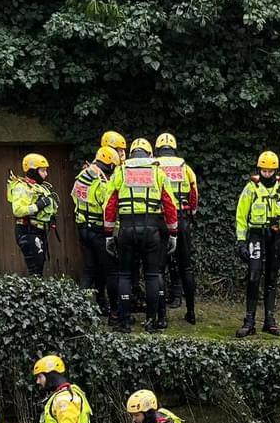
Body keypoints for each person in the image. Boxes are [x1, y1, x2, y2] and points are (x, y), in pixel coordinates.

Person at [103, 137, 179, 332]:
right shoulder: (158, 172)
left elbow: (110, 205)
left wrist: (109, 234)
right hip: (152, 228)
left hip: (127, 228)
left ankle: (125, 322)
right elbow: (170, 205)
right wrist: (173, 233)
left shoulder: (120, 171)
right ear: (149, 154)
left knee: (125, 275)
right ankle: (152, 323)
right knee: (152, 275)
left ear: (130, 155)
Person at [235, 150, 280, 337]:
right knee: (254, 275)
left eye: (270, 171)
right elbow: (241, 215)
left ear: (276, 170)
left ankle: (269, 320)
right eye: (264, 171)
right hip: (256, 235)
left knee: (272, 277)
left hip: (277, 236)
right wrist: (241, 242)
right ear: (259, 169)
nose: (267, 174)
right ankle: (249, 321)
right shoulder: (251, 188)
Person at [153, 132, 201, 324]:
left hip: (160, 219)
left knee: (158, 268)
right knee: (186, 267)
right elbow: (194, 195)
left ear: (157, 149)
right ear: (174, 148)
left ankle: (161, 316)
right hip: (182, 219)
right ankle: (191, 312)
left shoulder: (154, 166)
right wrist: (191, 213)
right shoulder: (185, 167)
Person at [73, 145, 122, 322]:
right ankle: (115, 313)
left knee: (89, 270)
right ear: (109, 164)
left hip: (83, 229)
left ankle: (81, 310)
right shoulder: (102, 184)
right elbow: (108, 209)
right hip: (99, 231)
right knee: (112, 271)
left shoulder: (81, 177)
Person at [8, 153, 59, 277]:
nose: (46, 174)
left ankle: (37, 292)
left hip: (39, 230)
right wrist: (38, 206)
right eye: (42, 171)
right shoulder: (21, 187)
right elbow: (18, 210)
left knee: (40, 264)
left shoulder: (40, 187)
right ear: (33, 171)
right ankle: (33, 293)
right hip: (27, 230)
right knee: (35, 268)